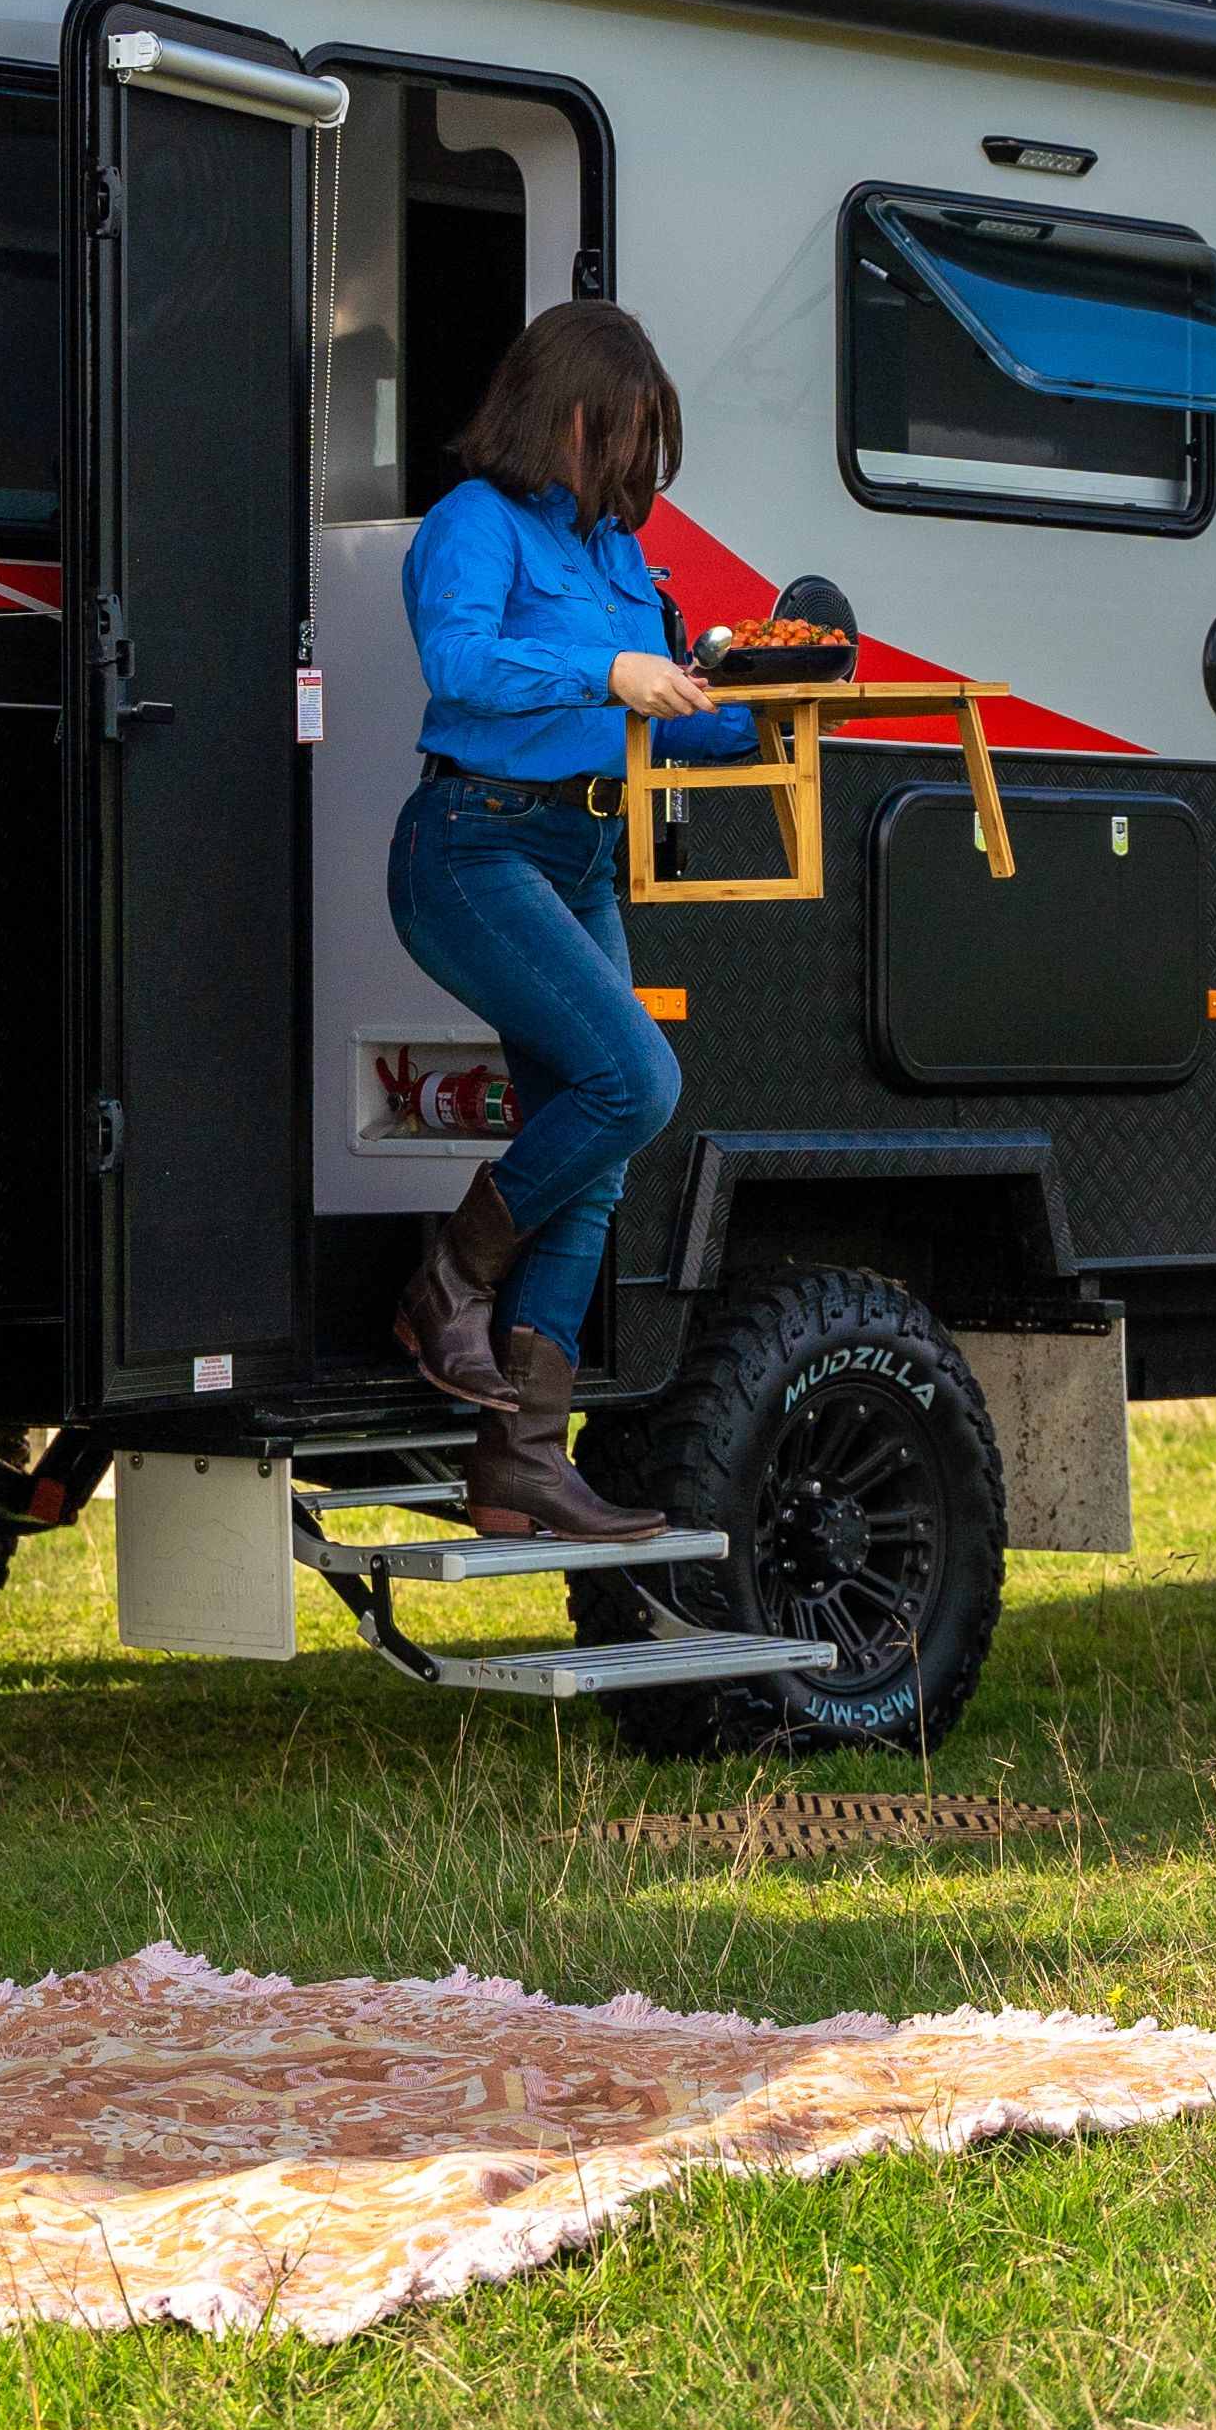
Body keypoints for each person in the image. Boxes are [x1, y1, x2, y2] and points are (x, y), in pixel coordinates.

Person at [388, 299, 754, 1542]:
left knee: (595, 1146)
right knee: (636, 1080)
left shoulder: (613, 556)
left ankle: (521, 1461)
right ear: (570, 412)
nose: (637, 466)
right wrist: (608, 670)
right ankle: (448, 1283)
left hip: (585, 852)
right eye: (629, 434)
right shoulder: (470, 525)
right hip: (473, 845)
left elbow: (675, 710)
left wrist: (769, 695)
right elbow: (461, 662)